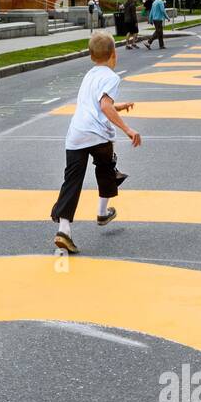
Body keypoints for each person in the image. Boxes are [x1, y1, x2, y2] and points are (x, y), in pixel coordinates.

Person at [51, 31, 141, 255]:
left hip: (76, 134)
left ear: (92, 56)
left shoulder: (89, 75)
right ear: (114, 55)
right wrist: (128, 129)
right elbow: (104, 106)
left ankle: (64, 230)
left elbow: (98, 105)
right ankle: (102, 212)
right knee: (106, 169)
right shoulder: (111, 77)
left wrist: (117, 107)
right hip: (99, 135)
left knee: (71, 181)